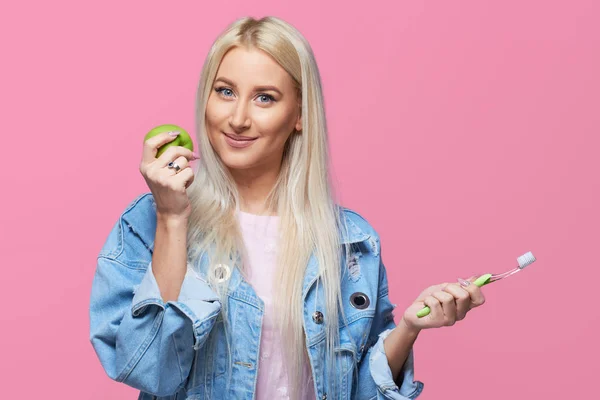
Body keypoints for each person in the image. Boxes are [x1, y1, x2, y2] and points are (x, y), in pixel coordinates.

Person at [89, 16, 486, 400]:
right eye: (225, 91)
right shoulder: (148, 221)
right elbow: (148, 371)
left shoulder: (351, 242)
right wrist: (172, 218)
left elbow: (357, 390)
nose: (238, 118)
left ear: (299, 114)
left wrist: (409, 329)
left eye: (265, 98)